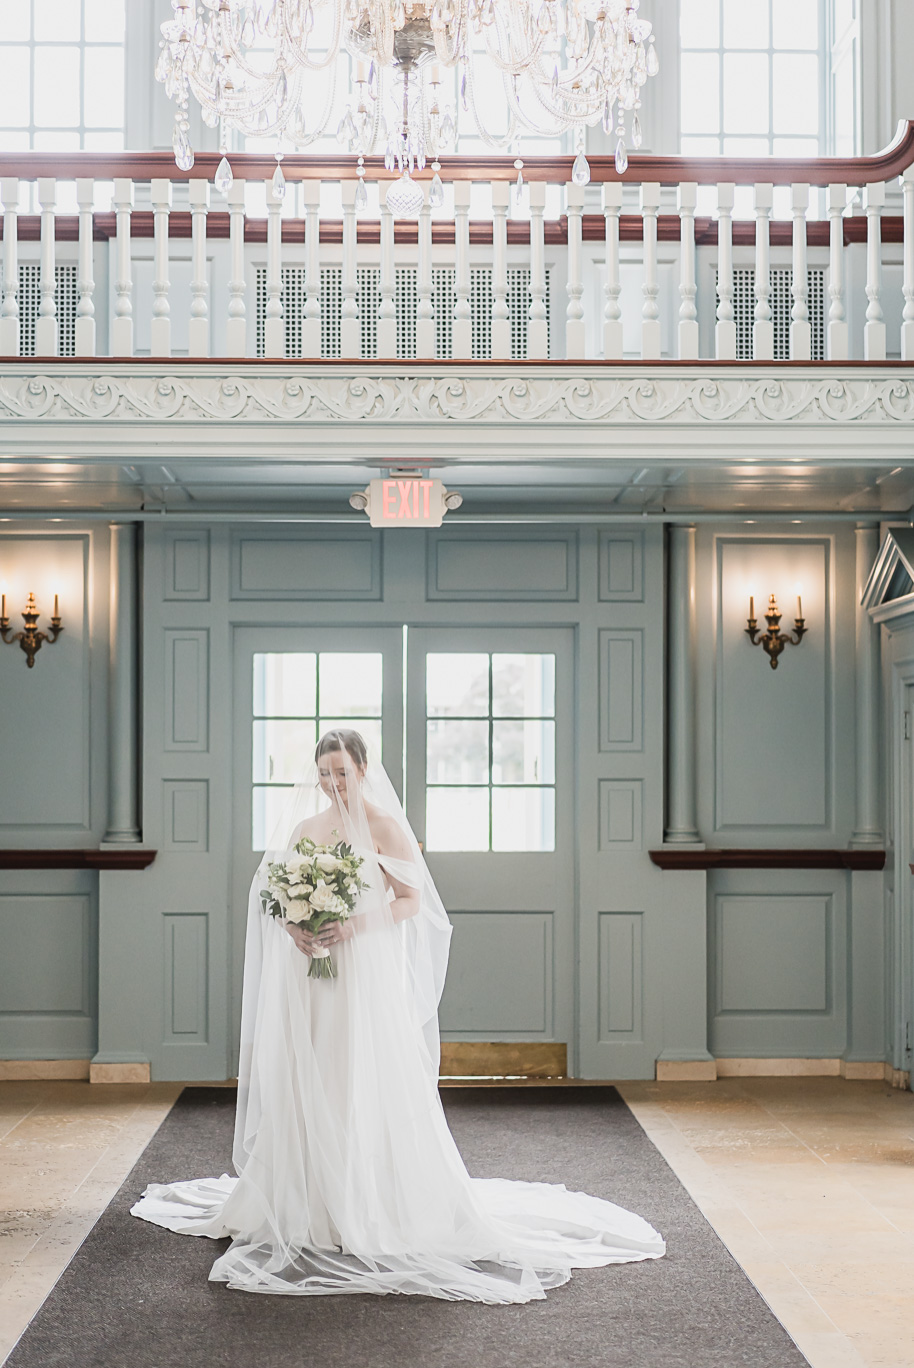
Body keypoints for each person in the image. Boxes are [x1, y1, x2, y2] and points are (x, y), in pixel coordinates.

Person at [132, 728, 665, 1301]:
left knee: (358, 1072)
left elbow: (412, 901)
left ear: (363, 769)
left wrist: (352, 925)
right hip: (310, 975)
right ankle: (303, 1198)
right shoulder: (305, 829)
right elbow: (274, 896)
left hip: (363, 973)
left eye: (343, 771)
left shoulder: (385, 826)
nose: (333, 782)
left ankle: (362, 1200)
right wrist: (295, 925)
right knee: (310, 1070)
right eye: (325, 772)